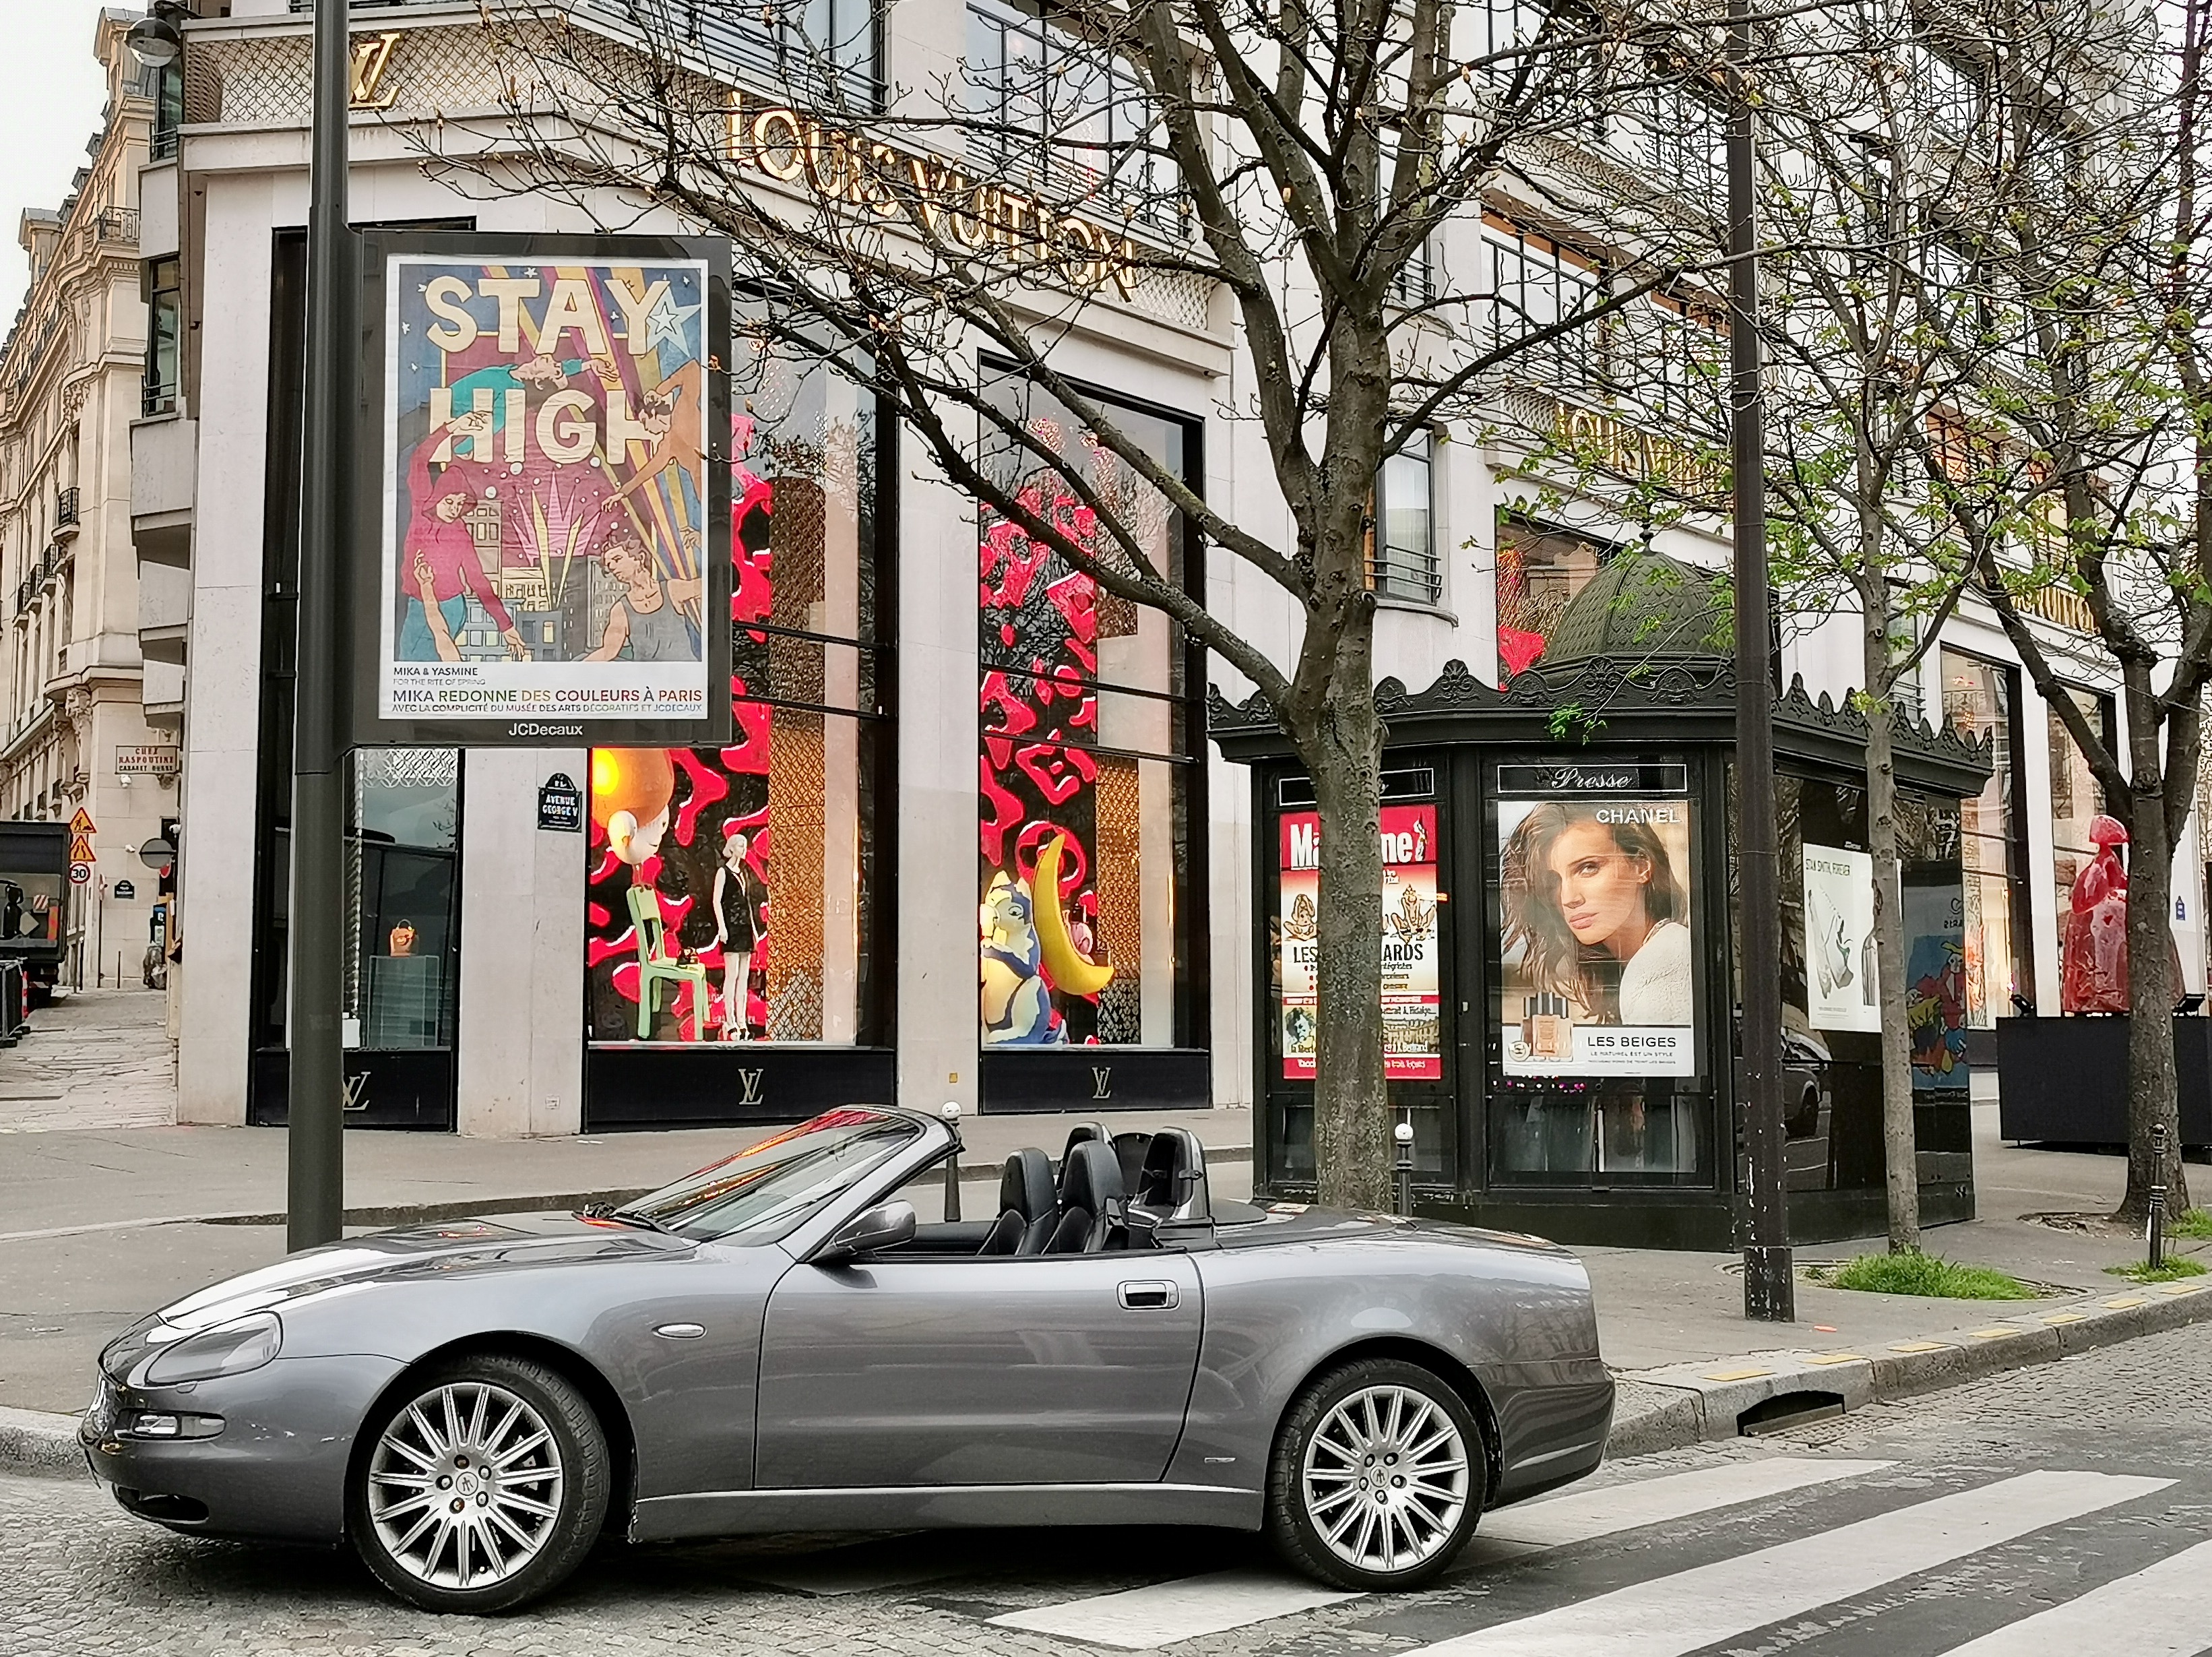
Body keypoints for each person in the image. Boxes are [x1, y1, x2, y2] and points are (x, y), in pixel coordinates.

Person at [1502, 803, 1693, 1026]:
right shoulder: (1649, 956)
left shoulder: (1662, 965)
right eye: (1553, 881)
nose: (1569, 898)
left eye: (1588, 868)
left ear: (1641, 866)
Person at [399, 414, 528, 663]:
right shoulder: (421, 505)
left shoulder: (460, 533)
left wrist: (506, 626)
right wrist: (452, 427)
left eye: (460, 504)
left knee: (425, 661)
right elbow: (419, 460)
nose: (455, 509)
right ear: (438, 496)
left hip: (449, 606)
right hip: (418, 603)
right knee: (412, 661)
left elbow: (478, 581)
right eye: (450, 501)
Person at [586, 528, 702, 662]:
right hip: (647, 674)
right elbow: (608, 652)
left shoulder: (672, 590)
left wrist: (702, 543)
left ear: (639, 557)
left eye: (617, 559)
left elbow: (712, 586)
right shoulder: (621, 610)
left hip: (684, 671)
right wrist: (574, 669)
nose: (612, 567)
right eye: (609, 565)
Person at [712, 825, 769, 1040]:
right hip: (731, 927)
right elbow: (717, 901)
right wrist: (722, 926)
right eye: (740, 845)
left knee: (744, 977)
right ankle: (730, 1020)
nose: (743, 849)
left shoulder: (743, 874)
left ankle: (742, 1019)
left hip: (744, 926)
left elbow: (747, 903)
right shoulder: (723, 873)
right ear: (732, 848)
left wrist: (753, 929)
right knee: (732, 975)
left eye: (745, 846)